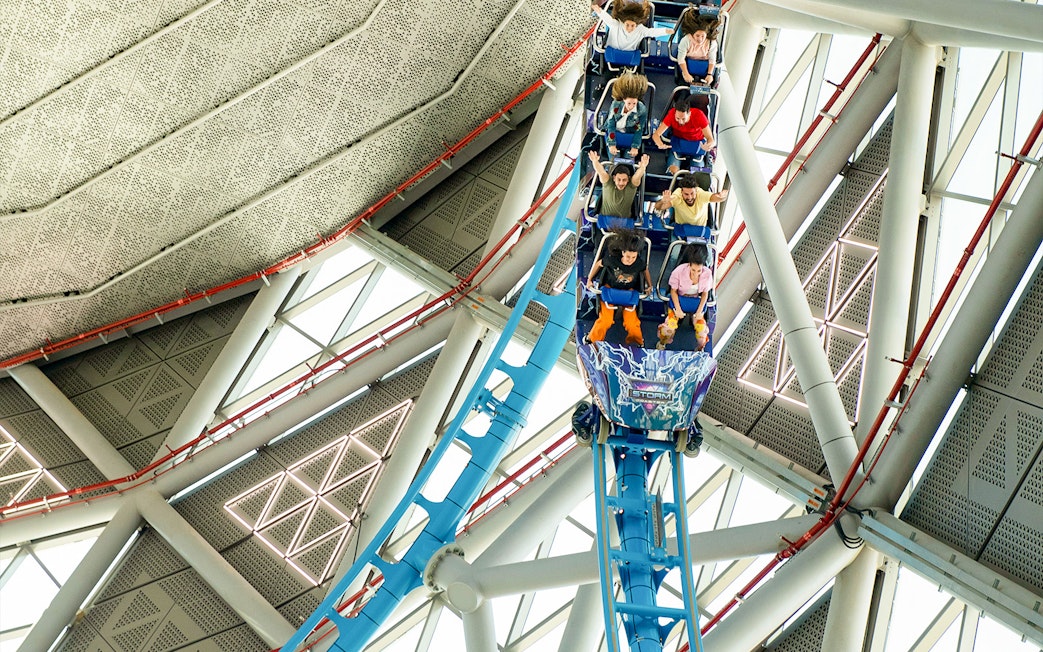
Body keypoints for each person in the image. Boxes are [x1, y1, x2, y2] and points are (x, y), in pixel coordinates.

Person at [585, 230, 652, 346]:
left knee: (632, 323)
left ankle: (636, 342)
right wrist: (590, 279)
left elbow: (645, 270)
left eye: (633, 257)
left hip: (629, 293)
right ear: (622, 253)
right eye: (627, 257)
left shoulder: (639, 263)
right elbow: (598, 264)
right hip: (610, 289)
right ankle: (592, 339)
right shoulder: (612, 259)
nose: (630, 260)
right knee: (605, 320)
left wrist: (649, 285)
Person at [652, 95, 715, 175]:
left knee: (698, 175)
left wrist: (708, 145)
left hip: (697, 144)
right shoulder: (671, 114)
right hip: (678, 143)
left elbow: (711, 139)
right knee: (672, 172)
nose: (680, 122)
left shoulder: (699, 115)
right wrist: (660, 144)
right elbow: (656, 134)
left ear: (689, 114)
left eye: (683, 119)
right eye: (677, 119)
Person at [588, 150, 649, 219]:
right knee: (615, 152)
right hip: (608, 222)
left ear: (628, 179)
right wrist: (595, 161)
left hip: (620, 223)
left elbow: (637, 177)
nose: (621, 183)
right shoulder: (608, 182)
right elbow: (601, 172)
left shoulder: (631, 186)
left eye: (624, 180)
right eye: (619, 179)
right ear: (614, 178)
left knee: (628, 152)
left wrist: (643, 167)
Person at [591, 2, 672, 53]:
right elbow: (607, 19)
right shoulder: (616, 25)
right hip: (612, 51)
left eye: (632, 26)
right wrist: (599, 11)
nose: (629, 28)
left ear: (636, 24)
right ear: (623, 22)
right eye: (627, 25)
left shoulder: (640, 29)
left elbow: (651, 32)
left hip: (630, 55)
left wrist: (665, 31)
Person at [653, 172, 729, 226]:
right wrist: (663, 201)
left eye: (692, 193)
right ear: (682, 191)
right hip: (681, 230)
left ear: (696, 190)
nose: (689, 197)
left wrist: (721, 196)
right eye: (686, 194)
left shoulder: (701, 194)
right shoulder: (678, 195)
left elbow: (716, 198)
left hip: (700, 232)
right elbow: (658, 207)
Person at [667, 243, 713, 331]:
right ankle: (662, 343)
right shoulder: (679, 271)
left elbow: (705, 293)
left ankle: (700, 345)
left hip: (696, 301)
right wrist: (678, 309)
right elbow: (673, 291)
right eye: (693, 270)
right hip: (679, 298)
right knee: (669, 327)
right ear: (689, 265)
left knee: (701, 330)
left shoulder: (707, 274)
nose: (696, 274)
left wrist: (699, 311)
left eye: (699, 271)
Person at [605, 73, 649, 159]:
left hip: (629, 135)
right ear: (624, 100)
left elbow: (638, 129)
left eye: (634, 103)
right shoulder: (616, 106)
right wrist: (612, 144)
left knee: (629, 161)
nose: (631, 106)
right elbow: (611, 124)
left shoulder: (641, 110)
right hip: (614, 133)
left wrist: (635, 146)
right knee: (614, 159)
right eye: (629, 103)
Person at [677, 16, 720, 86]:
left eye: (703, 36)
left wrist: (709, 74)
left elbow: (712, 59)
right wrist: (686, 74)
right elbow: (681, 59)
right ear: (693, 34)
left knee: (711, 83)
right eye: (697, 36)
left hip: (705, 67)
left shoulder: (711, 42)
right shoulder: (686, 40)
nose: (700, 39)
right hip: (689, 66)